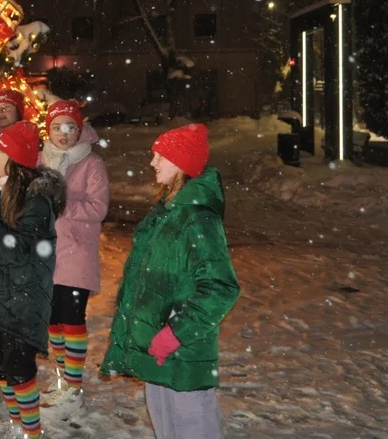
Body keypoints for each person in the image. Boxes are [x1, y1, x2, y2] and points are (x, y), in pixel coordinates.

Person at [100, 124, 240, 439]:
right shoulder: (167, 212)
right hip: (157, 349)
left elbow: (221, 288)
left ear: (181, 163)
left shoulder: (197, 217)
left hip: (182, 353)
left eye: (160, 156)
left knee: (193, 430)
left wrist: (176, 333)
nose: (153, 163)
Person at [0, 121, 65, 439]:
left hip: (24, 297)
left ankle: (31, 432)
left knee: (19, 369)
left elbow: (18, 251)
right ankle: (19, 425)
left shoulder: (36, 201)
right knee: (0, 367)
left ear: (14, 157)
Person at [38, 100, 110, 411]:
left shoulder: (91, 164)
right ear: (48, 130)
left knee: (73, 319)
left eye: (70, 127)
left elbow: (98, 208)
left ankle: (74, 385)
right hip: (46, 254)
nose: (63, 133)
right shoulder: (40, 160)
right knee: (52, 321)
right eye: (56, 127)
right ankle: (62, 379)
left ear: (79, 130)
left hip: (77, 253)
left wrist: (61, 203)